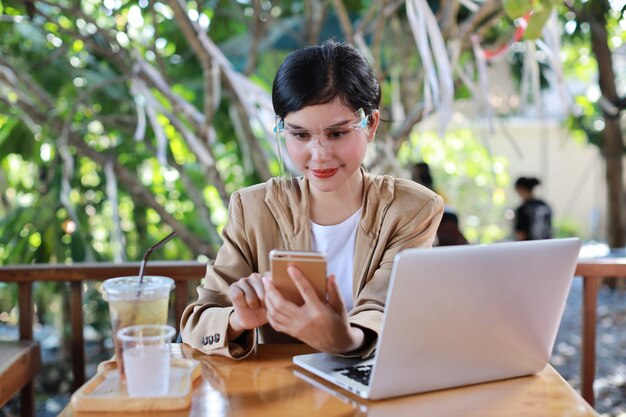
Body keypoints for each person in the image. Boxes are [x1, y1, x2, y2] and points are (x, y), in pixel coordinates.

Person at [180, 40, 444, 359]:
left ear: (370, 125)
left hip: (376, 387)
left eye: (336, 134)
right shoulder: (252, 210)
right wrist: (237, 320)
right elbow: (196, 326)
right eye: (300, 135)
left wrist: (344, 339)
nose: (319, 155)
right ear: (282, 129)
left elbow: (383, 307)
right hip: (284, 395)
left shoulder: (411, 209)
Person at [410, 161, 468, 246]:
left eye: (415, 173)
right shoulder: (416, 194)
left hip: (444, 218)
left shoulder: (433, 191)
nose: (413, 176)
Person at [513, 176, 552, 240]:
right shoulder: (546, 206)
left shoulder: (522, 209)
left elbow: (521, 235)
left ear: (520, 189)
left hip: (529, 247)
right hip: (546, 245)